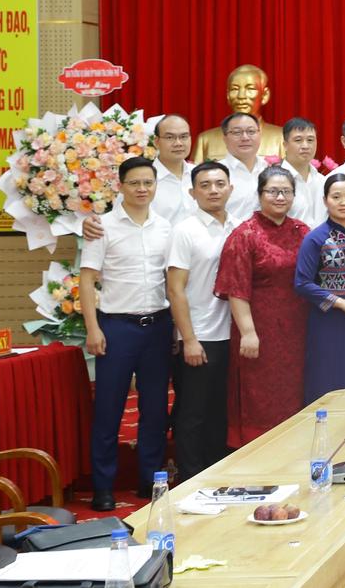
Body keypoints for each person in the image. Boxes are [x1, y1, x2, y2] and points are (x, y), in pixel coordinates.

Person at [81, 157, 172, 511]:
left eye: (148, 182)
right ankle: (103, 486)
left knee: (155, 409)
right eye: (134, 183)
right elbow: (87, 279)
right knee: (109, 408)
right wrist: (93, 328)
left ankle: (149, 479)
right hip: (116, 327)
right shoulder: (102, 227)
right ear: (120, 186)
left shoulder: (165, 227)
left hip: (157, 326)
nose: (142, 189)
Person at [216, 167, 310, 449]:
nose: (280, 197)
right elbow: (236, 288)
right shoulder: (244, 235)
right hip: (259, 331)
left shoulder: (301, 231)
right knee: (259, 395)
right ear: (259, 195)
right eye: (273, 191)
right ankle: (259, 453)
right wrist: (248, 332)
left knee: (294, 391)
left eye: (286, 192)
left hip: (297, 330)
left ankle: (293, 450)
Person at [164, 161, 239, 482]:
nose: (213, 191)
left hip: (231, 333)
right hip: (201, 334)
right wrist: (189, 338)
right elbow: (174, 289)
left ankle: (216, 472)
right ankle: (190, 477)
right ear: (193, 192)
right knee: (193, 412)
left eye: (220, 184)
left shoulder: (238, 226)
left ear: (231, 188)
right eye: (205, 185)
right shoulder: (185, 230)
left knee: (220, 409)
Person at [294, 174, 345, 403]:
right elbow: (302, 283)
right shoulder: (315, 238)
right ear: (325, 200)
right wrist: (341, 303)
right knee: (327, 376)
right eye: (336, 197)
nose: (343, 202)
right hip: (328, 320)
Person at [191, 63, 285, 162]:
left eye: (250, 89)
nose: (241, 96)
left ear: (265, 95)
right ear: (228, 95)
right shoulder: (205, 140)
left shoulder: (281, 138)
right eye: (234, 89)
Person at [221, 112, 269, 221]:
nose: (245, 137)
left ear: (260, 134)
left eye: (251, 131)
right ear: (225, 138)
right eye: (237, 132)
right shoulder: (216, 173)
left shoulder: (270, 168)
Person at [279, 117, 326, 227]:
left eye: (310, 140)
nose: (305, 146)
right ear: (285, 145)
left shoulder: (322, 181)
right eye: (298, 140)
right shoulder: (275, 181)